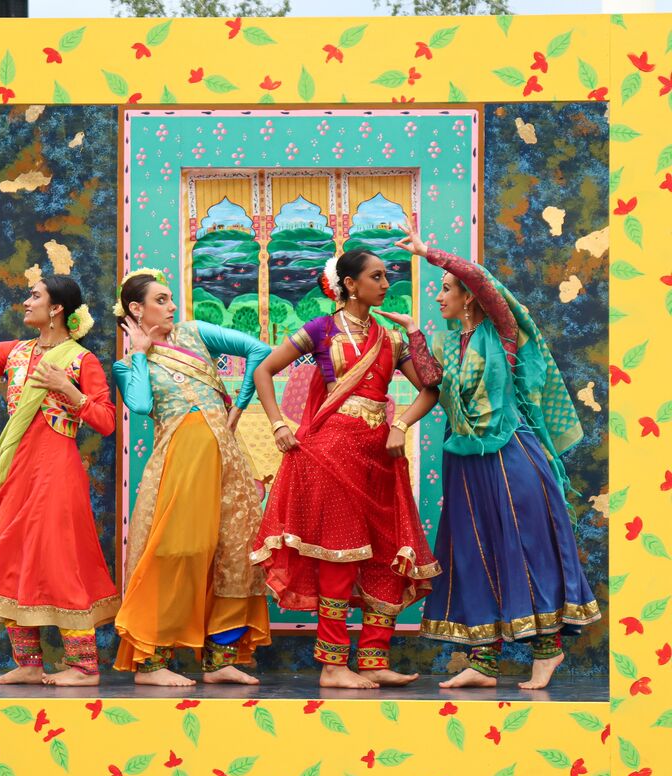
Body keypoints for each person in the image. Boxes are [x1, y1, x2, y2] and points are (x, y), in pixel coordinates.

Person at [393, 219, 601, 690]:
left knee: (524, 547)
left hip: (511, 456)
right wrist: (412, 332)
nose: (439, 297)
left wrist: (431, 253)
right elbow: (432, 384)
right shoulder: (452, 344)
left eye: (446, 289)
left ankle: (547, 652)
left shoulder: (502, 333)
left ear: (469, 296)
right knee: (473, 551)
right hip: (465, 462)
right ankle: (484, 662)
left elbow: (483, 279)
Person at [250, 249, 442, 690]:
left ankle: (374, 659)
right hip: (331, 454)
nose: (385, 282)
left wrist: (400, 421)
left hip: (380, 458)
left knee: (387, 554)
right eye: (376, 276)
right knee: (339, 556)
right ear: (350, 284)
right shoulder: (321, 329)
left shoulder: (390, 338)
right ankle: (333, 665)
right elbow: (264, 371)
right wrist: (279, 423)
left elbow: (431, 388)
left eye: (386, 275)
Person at [0, 261, 119, 686]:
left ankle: (84, 667)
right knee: (12, 558)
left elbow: (107, 422)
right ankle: (30, 661)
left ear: (57, 308)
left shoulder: (80, 360)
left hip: (57, 470)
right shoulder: (15, 352)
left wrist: (68, 388)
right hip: (17, 469)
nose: (26, 301)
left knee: (59, 558)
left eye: (35, 295)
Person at [113, 268, 271, 686]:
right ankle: (151, 663)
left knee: (233, 552)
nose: (171, 307)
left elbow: (258, 349)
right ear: (136, 308)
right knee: (176, 552)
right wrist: (142, 353)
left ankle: (219, 660)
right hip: (179, 463)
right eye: (161, 300)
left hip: (225, 458)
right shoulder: (127, 365)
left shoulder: (194, 333)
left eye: (169, 299)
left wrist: (238, 405)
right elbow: (143, 405)